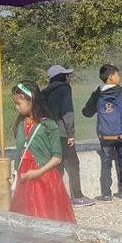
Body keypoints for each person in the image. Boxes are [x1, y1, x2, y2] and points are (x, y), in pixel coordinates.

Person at [10, 81, 76, 223]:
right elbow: (19, 152)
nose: (16, 107)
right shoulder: (20, 124)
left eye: (19, 103)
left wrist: (37, 172)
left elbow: (57, 157)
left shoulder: (48, 125)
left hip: (44, 178)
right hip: (24, 176)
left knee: (45, 215)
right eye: (15, 103)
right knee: (25, 215)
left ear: (31, 100)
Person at [82, 64, 122, 202]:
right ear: (111, 77)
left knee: (106, 163)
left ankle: (106, 194)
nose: (119, 77)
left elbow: (86, 113)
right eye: (118, 75)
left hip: (105, 136)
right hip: (121, 135)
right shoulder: (121, 92)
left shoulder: (97, 93)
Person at [42, 65, 95, 206]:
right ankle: (77, 196)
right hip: (62, 133)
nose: (69, 77)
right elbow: (67, 112)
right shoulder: (64, 89)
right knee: (72, 163)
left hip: (48, 133)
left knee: (56, 166)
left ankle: (53, 198)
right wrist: (71, 133)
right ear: (63, 77)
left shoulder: (45, 92)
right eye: (67, 75)